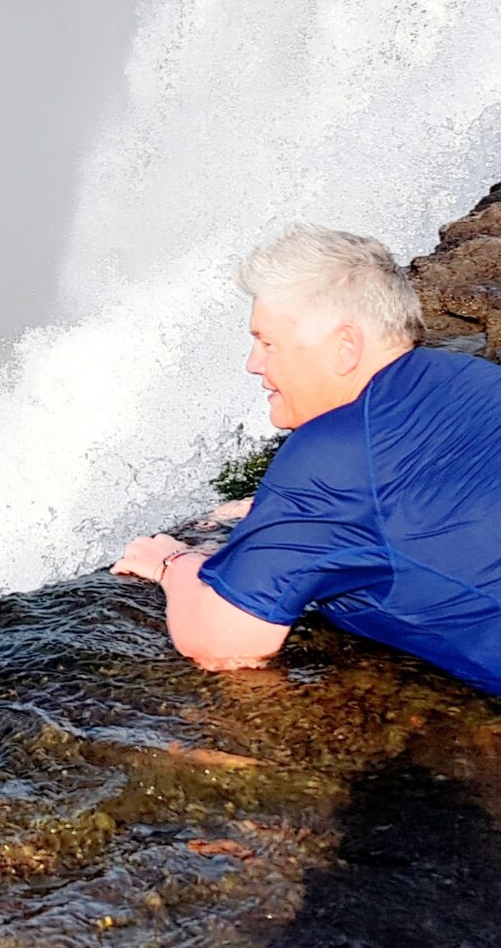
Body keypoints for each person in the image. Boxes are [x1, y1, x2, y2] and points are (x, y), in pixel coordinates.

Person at [112, 223, 501, 692]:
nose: (254, 363)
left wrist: (172, 563)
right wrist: (277, 511)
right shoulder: (469, 376)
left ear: (345, 346)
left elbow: (223, 641)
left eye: (268, 341)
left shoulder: (334, 455)